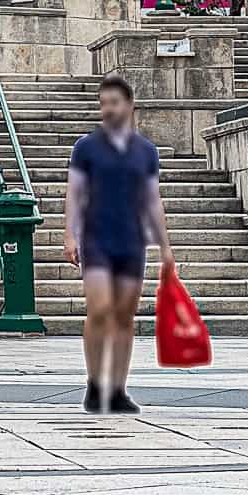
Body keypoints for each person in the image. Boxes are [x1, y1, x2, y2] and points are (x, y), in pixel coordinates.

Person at [63, 73, 175, 414]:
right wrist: (69, 234)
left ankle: (118, 388)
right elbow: (75, 193)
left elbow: (152, 199)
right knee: (98, 311)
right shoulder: (85, 147)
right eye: (102, 104)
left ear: (129, 106)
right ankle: (95, 384)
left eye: (113, 103)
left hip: (131, 241)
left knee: (125, 316)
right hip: (96, 239)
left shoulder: (147, 151)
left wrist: (165, 246)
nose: (107, 109)